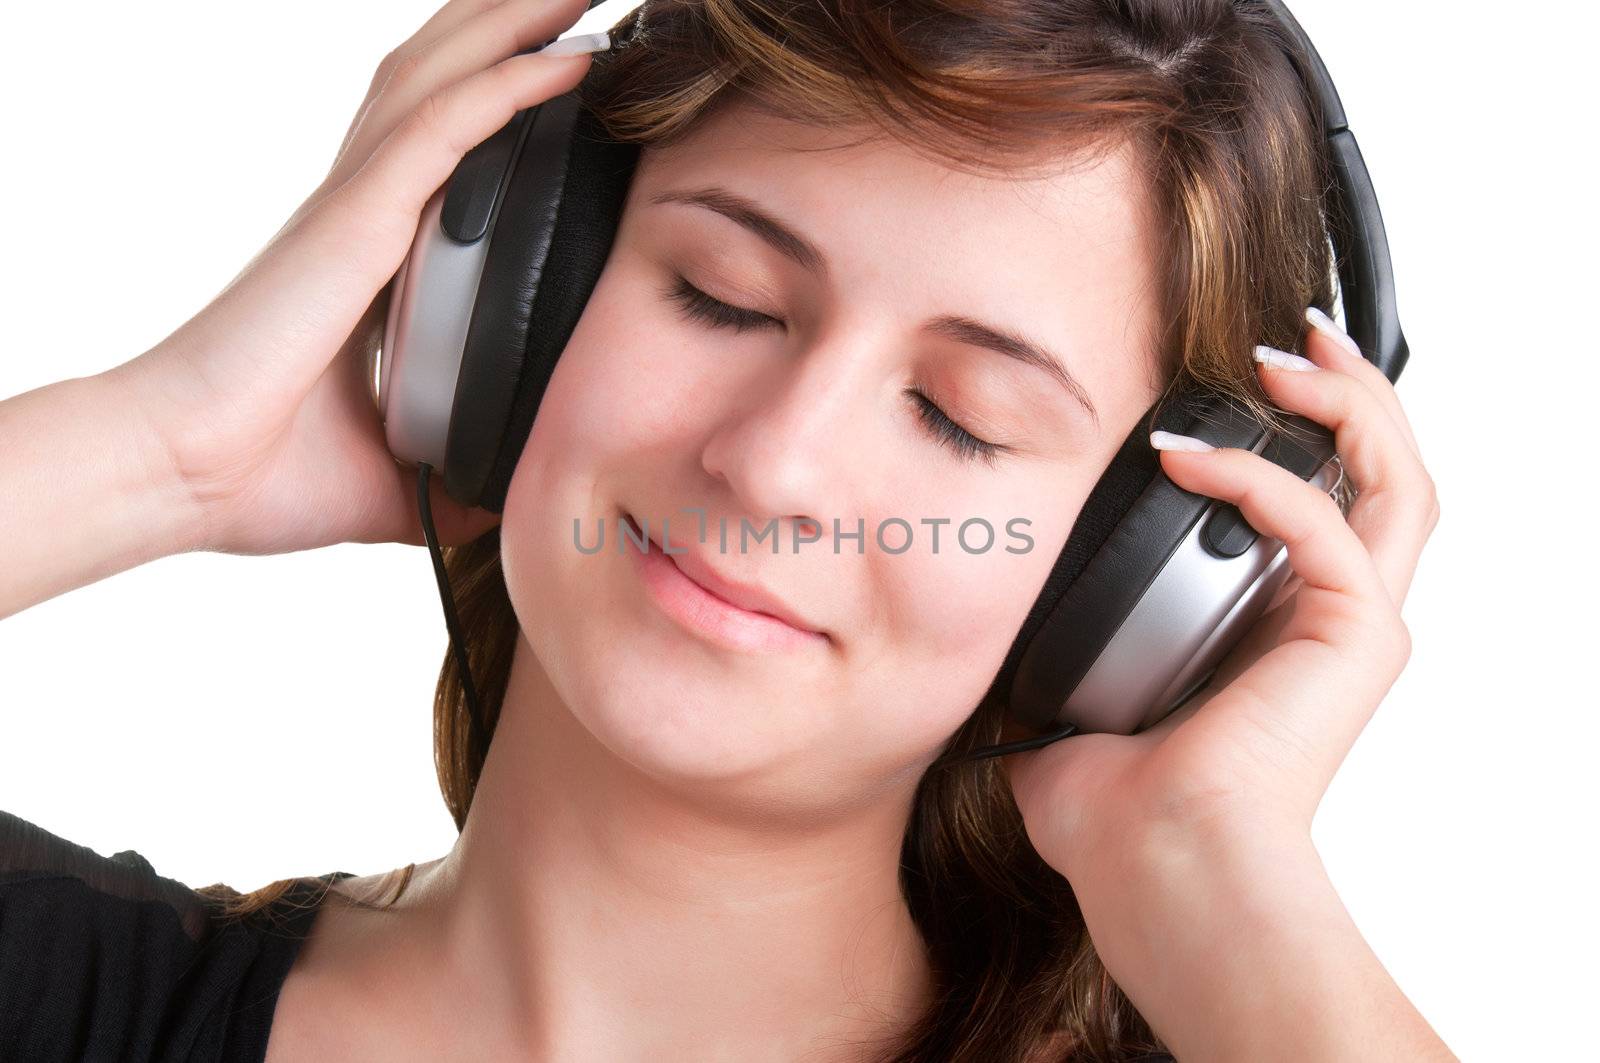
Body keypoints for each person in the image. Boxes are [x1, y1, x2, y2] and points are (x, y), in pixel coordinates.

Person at [0, 0, 1449, 1060]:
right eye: (722, 296)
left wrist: (1215, 869)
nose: (774, 464)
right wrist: (161, 454)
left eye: (958, 415)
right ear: (515, 303)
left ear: (1124, 577)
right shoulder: (66, 998)